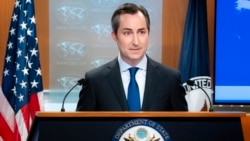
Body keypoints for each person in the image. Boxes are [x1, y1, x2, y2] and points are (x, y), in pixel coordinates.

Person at [76, 3, 187, 111]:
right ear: (114, 36)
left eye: (141, 32)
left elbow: (182, 127)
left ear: (148, 33)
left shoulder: (170, 79)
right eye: (127, 33)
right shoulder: (95, 81)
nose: (136, 41)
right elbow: (82, 128)